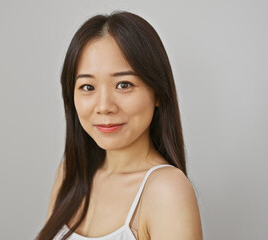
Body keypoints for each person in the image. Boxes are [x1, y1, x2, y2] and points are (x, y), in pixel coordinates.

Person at [36, 10, 203, 240]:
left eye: (124, 85)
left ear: (158, 93)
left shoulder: (167, 191)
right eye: (87, 87)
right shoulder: (69, 175)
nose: (104, 106)